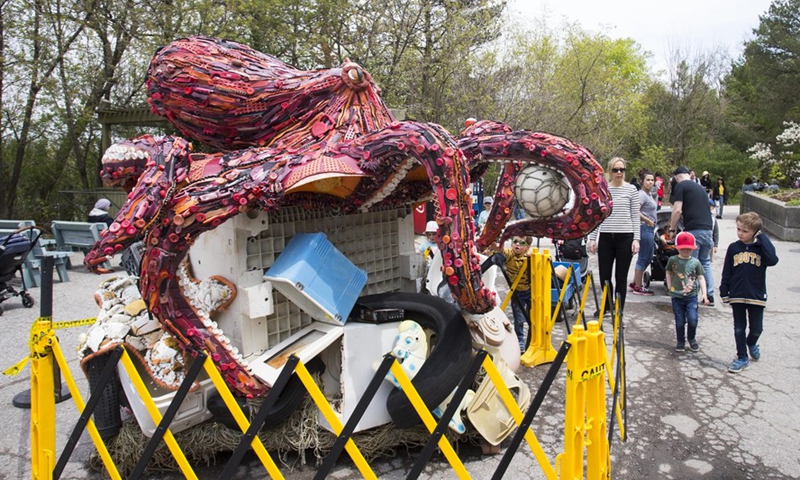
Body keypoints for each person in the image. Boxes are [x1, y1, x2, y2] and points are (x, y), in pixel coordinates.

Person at [720, 212, 779, 373]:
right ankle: (742, 357)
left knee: (756, 329)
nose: (740, 233)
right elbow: (727, 271)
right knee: (739, 328)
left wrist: (762, 237)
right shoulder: (733, 248)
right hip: (737, 294)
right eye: (738, 229)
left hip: (756, 295)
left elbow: (773, 260)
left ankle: (751, 342)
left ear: (754, 231)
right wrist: (724, 290)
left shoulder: (761, 248)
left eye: (745, 231)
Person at [588, 157, 640, 315]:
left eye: (622, 170)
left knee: (621, 276)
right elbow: (598, 215)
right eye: (616, 170)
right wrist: (592, 238)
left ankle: (619, 309)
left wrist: (636, 239)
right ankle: (606, 306)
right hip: (606, 237)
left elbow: (635, 216)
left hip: (625, 237)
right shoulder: (603, 189)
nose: (619, 173)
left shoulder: (631, 190)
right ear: (609, 172)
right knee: (604, 275)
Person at [669, 166, 716, 307]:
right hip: (708, 229)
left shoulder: (681, 186)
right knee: (705, 262)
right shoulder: (700, 188)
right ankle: (709, 294)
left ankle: (690, 295)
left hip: (694, 230)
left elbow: (677, 210)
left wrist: (672, 229)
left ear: (676, 177)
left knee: (691, 263)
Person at [665, 232, 709, 352]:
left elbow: (701, 277)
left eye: (688, 249)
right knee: (679, 320)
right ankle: (680, 341)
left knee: (692, 319)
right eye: (682, 249)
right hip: (676, 296)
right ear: (677, 248)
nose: (685, 251)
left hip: (691, 296)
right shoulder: (673, 260)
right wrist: (669, 286)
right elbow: (668, 272)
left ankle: (692, 338)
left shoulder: (695, 262)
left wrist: (704, 293)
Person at [494, 235, 534, 351]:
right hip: (516, 292)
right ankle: (520, 340)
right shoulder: (510, 254)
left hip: (531, 290)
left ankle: (533, 339)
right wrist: (495, 246)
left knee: (533, 317)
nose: (517, 245)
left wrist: (531, 255)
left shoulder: (529, 256)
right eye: (514, 242)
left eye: (521, 243)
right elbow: (502, 250)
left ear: (527, 247)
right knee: (519, 319)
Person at [630, 171, 657, 295]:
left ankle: (635, 281)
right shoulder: (641, 195)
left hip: (650, 229)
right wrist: (648, 220)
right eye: (648, 180)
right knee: (644, 257)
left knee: (649, 256)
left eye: (652, 180)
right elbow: (635, 211)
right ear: (642, 181)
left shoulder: (649, 194)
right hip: (644, 227)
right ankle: (638, 287)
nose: (650, 182)